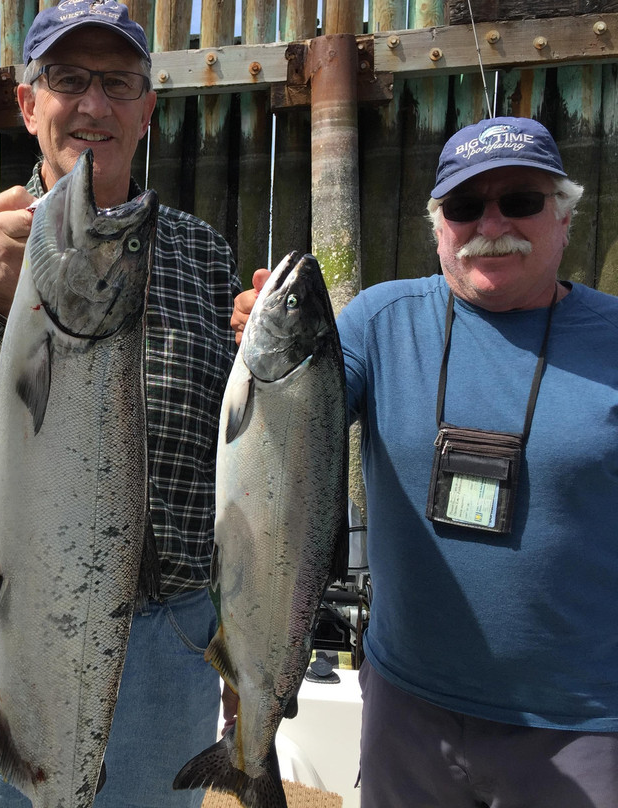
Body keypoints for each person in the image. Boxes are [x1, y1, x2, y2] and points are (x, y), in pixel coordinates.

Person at [0, 1, 240, 804]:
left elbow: (245, 476)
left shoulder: (205, 256)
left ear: (147, 109)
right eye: (70, 80)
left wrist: (264, 370)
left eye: (118, 83)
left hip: (168, 647)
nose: (94, 105)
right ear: (29, 104)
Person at [234, 116, 618, 806]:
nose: (490, 223)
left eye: (520, 202)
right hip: (406, 708)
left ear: (564, 217)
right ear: (437, 227)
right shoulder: (379, 321)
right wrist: (259, 351)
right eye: (466, 207)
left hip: (583, 723)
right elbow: (289, 425)